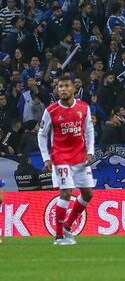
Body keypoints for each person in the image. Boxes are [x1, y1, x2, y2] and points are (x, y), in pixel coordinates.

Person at [37, 74, 95, 245]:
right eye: (60, 86)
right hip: (60, 157)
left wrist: (90, 152)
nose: (62, 89)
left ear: (73, 89)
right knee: (66, 193)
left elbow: (89, 131)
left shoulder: (84, 108)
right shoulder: (51, 111)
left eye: (66, 86)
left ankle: (68, 227)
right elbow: (42, 135)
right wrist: (46, 158)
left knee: (88, 194)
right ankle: (58, 236)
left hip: (80, 157)